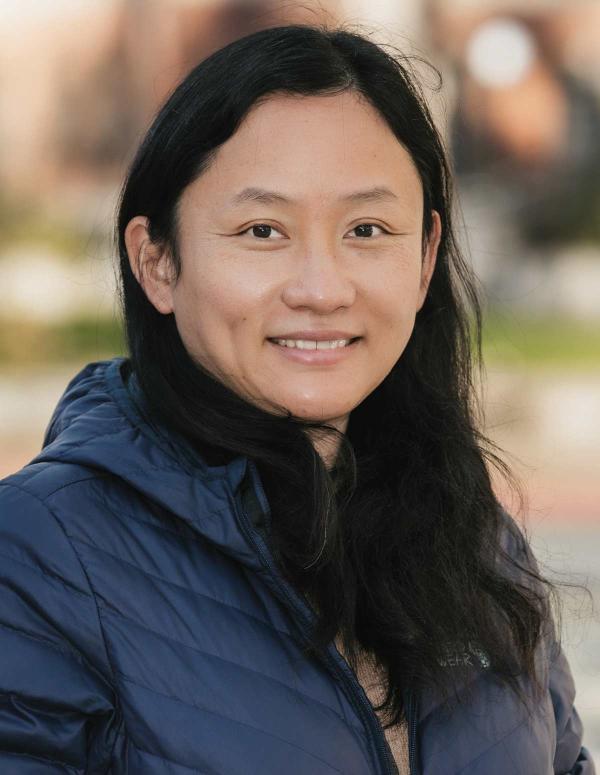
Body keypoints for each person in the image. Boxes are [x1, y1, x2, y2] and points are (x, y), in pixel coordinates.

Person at [0, 23, 594, 775]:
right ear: (156, 260)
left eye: (367, 229)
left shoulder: (477, 538)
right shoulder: (39, 553)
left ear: (425, 258)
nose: (322, 288)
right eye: (263, 230)